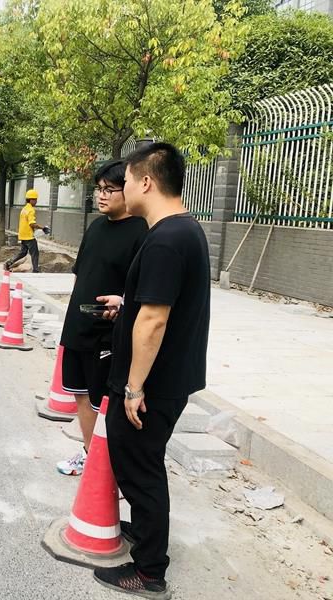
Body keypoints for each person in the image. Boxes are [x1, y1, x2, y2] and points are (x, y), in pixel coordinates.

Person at [92, 143, 210, 600]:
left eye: (124, 181)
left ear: (145, 182)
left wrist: (133, 387)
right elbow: (157, 304)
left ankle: (149, 571)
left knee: (140, 469)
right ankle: (145, 533)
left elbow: (155, 320)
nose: (120, 189)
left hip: (153, 384)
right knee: (144, 464)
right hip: (169, 377)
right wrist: (127, 304)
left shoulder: (165, 239)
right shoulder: (183, 230)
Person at [56, 160, 147, 476]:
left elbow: (141, 291)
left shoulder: (141, 232)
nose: (102, 195)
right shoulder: (95, 227)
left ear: (129, 189)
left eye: (110, 189)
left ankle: (110, 470)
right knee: (79, 394)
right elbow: (81, 275)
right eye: (99, 189)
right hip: (77, 328)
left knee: (103, 403)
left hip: (108, 334)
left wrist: (122, 305)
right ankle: (89, 455)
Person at [5, 189, 50, 273]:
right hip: (29, 236)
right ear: (31, 200)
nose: (36, 201)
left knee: (23, 252)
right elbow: (32, 223)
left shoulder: (24, 209)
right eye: (35, 199)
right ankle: (36, 270)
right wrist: (43, 228)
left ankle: (9, 262)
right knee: (35, 253)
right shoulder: (31, 210)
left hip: (23, 235)